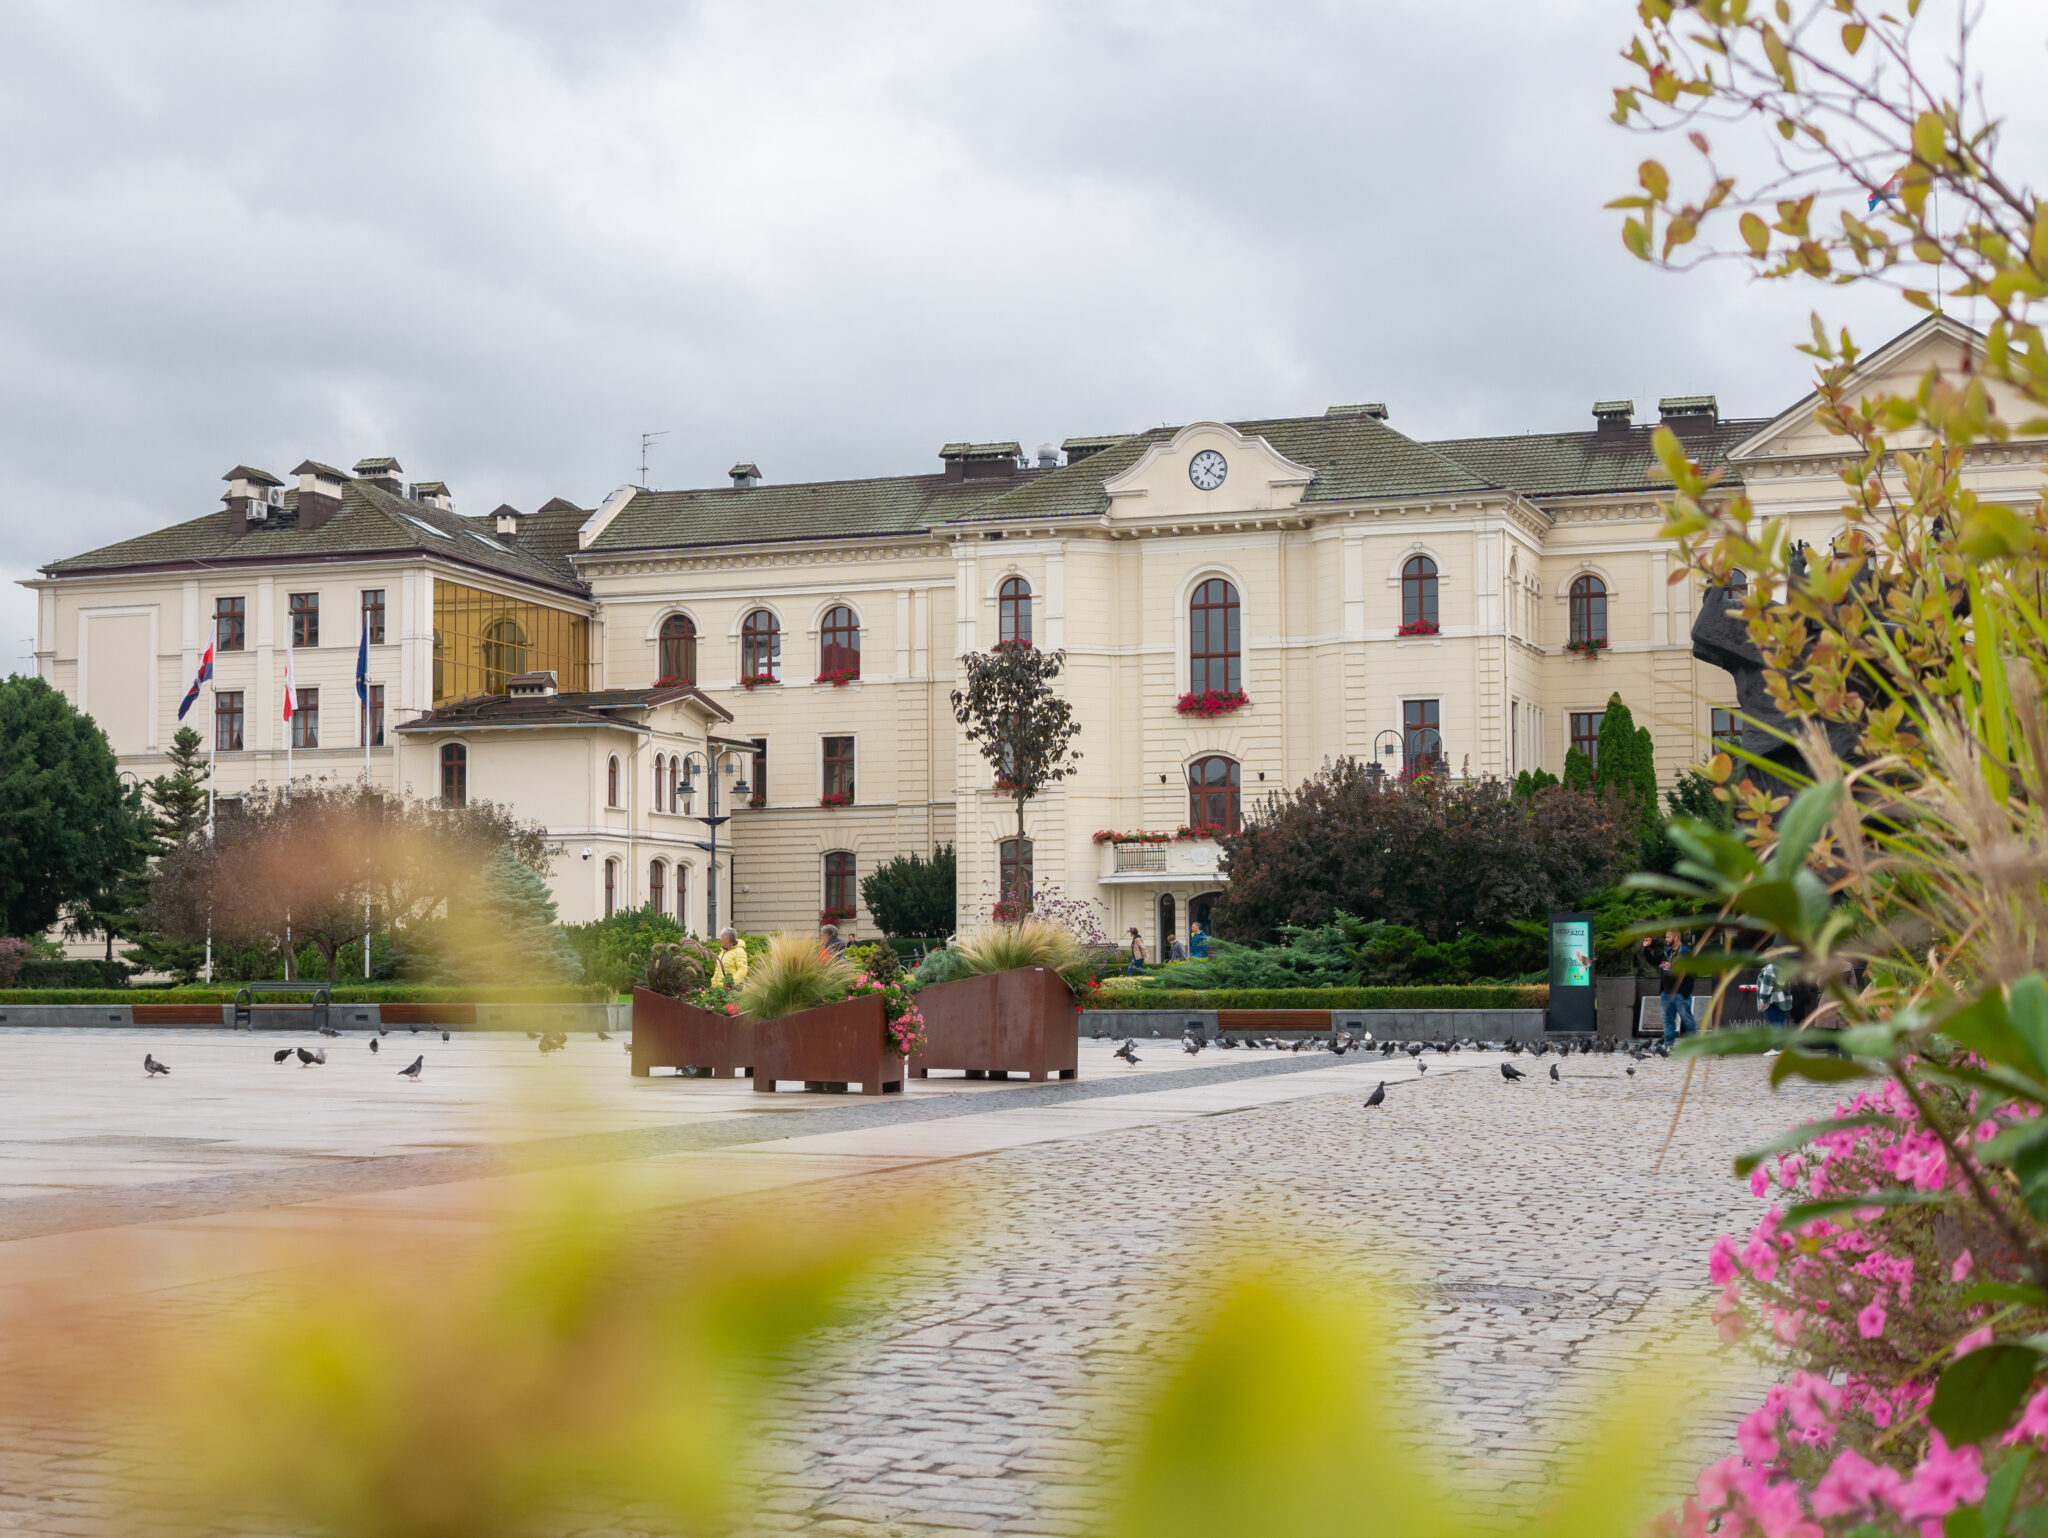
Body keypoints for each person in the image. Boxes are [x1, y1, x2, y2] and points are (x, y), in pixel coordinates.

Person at [1644, 930, 1697, 1045]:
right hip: (1666, 993)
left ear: (1676, 938)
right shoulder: (1666, 952)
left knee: (1687, 1020)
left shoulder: (1686, 953)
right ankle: (1668, 1044)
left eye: (1668, 937)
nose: (1666, 939)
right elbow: (1653, 961)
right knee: (1667, 1020)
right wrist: (1646, 948)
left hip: (1681, 994)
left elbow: (1692, 972)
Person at [1757, 961, 1791, 1026]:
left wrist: (1763, 1000)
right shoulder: (1782, 969)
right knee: (1781, 1025)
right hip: (1782, 1001)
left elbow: (1767, 986)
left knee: (1776, 1027)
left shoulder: (1770, 969)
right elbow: (1788, 986)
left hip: (1772, 1002)